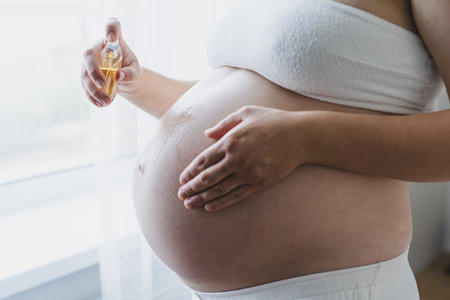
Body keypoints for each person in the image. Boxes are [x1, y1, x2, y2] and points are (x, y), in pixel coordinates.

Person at [81, 0, 449, 299]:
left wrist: (306, 138)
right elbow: (248, 113)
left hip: (330, 287)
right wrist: (137, 83)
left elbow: (284, 124)